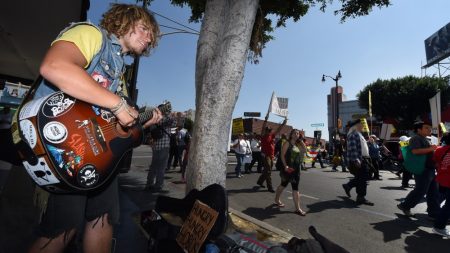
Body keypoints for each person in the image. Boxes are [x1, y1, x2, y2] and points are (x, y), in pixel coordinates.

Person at [26, 4, 162, 253]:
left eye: (151, 36)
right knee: (62, 229)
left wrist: (142, 122)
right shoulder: (91, 34)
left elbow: (109, 121)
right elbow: (54, 67)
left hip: (96, 156)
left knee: (104, 217)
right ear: (124, 21)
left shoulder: (120, 71)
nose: (148, 38)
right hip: (63, 146)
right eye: (144, 29)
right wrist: (118, 103)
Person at [397, 121, 440, 218]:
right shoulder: (416, 138)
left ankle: (434, 213)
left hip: (430, 169)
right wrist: (431, 149)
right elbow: (415, 151)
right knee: (421, 191)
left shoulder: (425, 139)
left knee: (433, 192)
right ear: (418, 130)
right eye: (426, 128)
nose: (429, 129)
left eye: (429, 127)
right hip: (423, 169)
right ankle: (405, 205)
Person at [274, 129, 307, 216]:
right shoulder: (287, 143)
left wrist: (301, 140)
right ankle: (277, 200)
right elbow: (282, 155)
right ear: (291, 135)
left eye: (298, 134)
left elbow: (305, 150)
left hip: (296, 170)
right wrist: (285, 166)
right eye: (295, 133)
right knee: (283, 185)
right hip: (288, 169)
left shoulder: (298, 144)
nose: (296, 135)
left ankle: (297, 209)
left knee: (295, 188)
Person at [342, 119, 374, 206]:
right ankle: (360, 197)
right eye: (361, 124)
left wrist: (369, 142)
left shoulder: (359, 134)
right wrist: (356, 160)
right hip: (360, 159)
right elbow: (353, 148)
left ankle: (348, 186)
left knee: (362, 178)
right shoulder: (353, 134)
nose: (363, 125)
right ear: (356, 126)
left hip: (364, 159)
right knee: (363, 179)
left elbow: (361, 146)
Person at [256, 113, 288, 193]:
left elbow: (278, 130)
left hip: (271, 155)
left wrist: (284, 123)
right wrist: (266, 119)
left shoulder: (272, 136)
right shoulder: (263, 136)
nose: (269, 131)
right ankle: (270, 187)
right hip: (265, 155)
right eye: (267, 130)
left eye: (270, 130)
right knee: (268, 171)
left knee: (266, 170)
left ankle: (260, 181)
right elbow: (263, 128)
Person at [146, 115, 176, 191]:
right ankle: (158, 186)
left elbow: (150, 133)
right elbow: (176, 123)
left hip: (155, 147)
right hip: (164, 146)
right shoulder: (168, 119)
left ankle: (149, 184)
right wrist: (174, 115)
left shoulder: (154, 120)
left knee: (153, 167)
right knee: (161, 168)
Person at [432, 133, 450, 237]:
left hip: (442, 179)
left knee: (445, 201)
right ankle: (439, 226)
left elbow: (436, 162)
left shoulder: (439, 149)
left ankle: (437, 217)